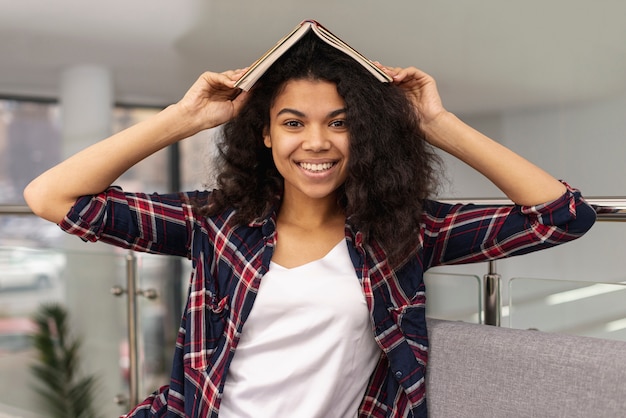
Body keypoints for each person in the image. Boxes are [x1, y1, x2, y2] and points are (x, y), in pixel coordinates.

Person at [24, 30, 596, 418]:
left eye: (339, 123)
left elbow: (561, 216)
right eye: (293, 122)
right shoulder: (217, 224)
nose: (316, 142)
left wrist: (436, 122)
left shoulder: (404, 231)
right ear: (266, 134)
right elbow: (51, 197)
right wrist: (184, 118)